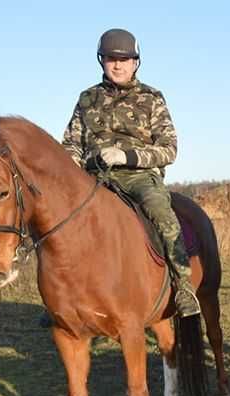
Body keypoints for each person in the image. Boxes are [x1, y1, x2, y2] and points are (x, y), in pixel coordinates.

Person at [61, 28, 199, 317]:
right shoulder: (86, 99)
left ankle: (183, 286)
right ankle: (62, 291)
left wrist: (127, 155)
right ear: (102, 61)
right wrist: (70, 167)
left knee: (161, 211)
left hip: (138, 176)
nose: (118, 65)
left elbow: (169, 149)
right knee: (59, 217)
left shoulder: (152, 98)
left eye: (126, 59)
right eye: (112, 58)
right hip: (94, 178)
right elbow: (72, 144)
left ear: (136, 62)